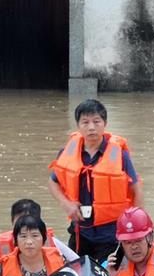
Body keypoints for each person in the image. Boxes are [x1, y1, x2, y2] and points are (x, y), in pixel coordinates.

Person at [48, 99, 142, 262]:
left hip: (111, 234)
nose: (91, 127)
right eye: (85, 122)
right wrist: (66, 204)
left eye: (96, 121)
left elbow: (136, 189)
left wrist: (137, 226)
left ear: (104, 123)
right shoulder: (68, 152)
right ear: (78, 126)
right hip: (80, 232)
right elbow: (53, 182)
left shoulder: (119, 155)